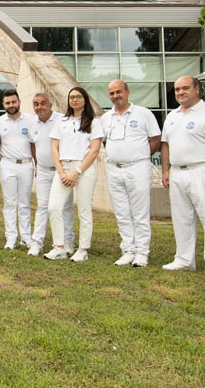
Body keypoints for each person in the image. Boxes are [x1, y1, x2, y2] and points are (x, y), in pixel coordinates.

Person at [161, 76, 205, 279]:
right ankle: (184, 259)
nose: (180, 93)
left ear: (197, 89)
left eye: (185, 88)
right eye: (177, 89)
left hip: (203, 170)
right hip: (177, 171)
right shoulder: (172, 115)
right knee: (181, 218)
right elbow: (165, 145)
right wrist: (166, 171)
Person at [101, 80, 162, 267]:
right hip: (114, 169)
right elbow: (104, 142)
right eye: (111, 93)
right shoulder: (105, 117)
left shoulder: (143, 114)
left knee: (140, 213)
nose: (115, 96)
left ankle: (142, 252)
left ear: (127, 92)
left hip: (137, 168)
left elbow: (156, 139)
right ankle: (128, 250)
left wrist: (140, 156)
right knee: (122, 213)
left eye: (118, 92)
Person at [44, 87, 104, 262]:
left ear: (85, 99)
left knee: (84, 210)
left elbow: (94, 151)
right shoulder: (62, 121)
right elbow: (54, 148)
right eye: (71, 97)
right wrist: (62, 172)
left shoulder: (94, 122)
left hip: (83, 169)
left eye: (78, 97)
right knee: (53, 207)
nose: (75, 100)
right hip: (63, 168)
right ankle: (59, 247)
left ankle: (83, 249)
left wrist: (77, 172)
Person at [27, 93, 75, 257]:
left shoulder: (63, 120)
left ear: (50, 104)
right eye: (36, 104)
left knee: (65, 207)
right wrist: (37, 165)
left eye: (43, 103)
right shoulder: (32, 123)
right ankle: (37, 242)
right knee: (42, 206)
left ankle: (68, 242)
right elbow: (34, 146)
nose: (39, 107)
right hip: (43, 171)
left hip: (61, 171)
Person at [0, 89, 37, 249]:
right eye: (7, 103)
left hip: (26, 165)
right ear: (3, 104)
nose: (11, 105)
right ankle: (11, 237)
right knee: (9, 202)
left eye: (13, 102)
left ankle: (26, 236)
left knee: (24, 202)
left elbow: (34, 144)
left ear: (19, 102)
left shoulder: (30, 120)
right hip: (7, 165)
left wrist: (37, 164)